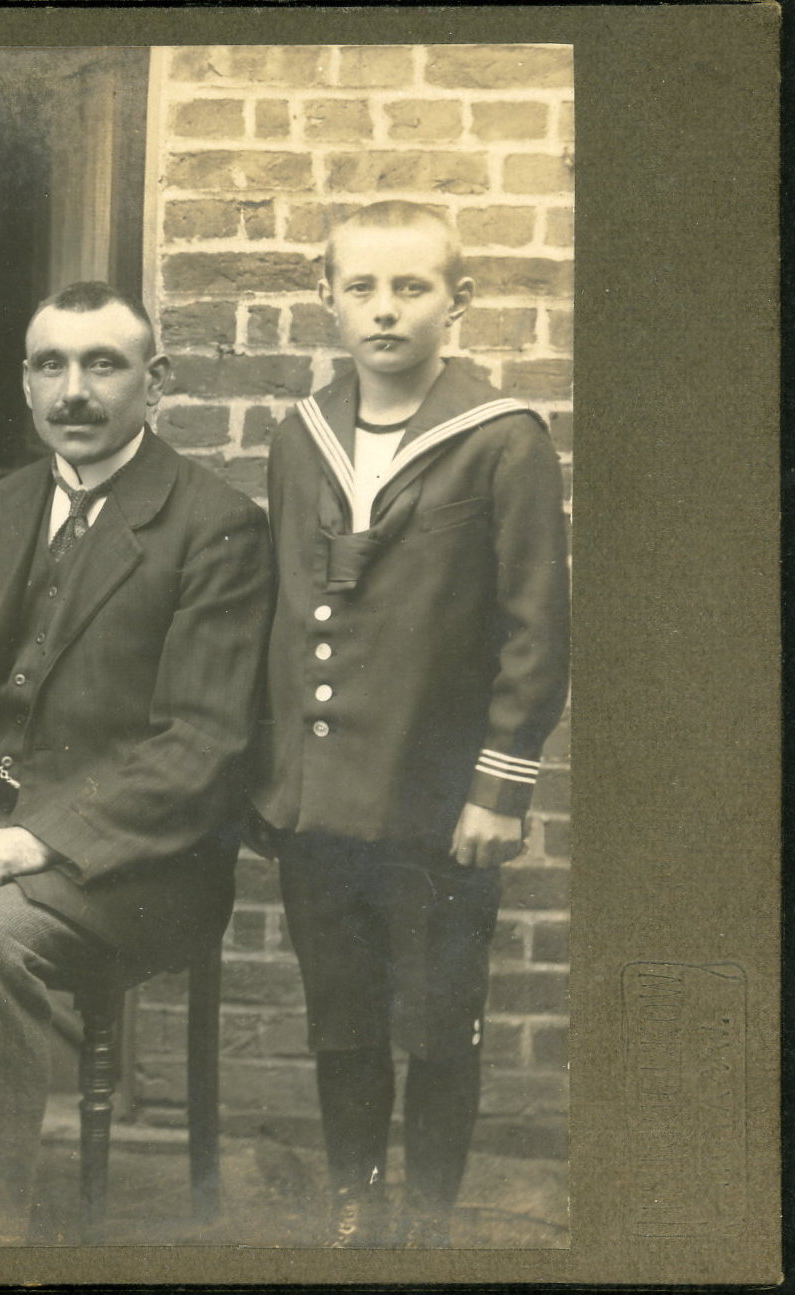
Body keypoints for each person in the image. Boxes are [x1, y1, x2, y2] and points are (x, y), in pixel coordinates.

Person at [0, 281, 274, 1244]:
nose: (74, 391)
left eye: (103, 364)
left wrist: (37, 840)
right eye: (50, 365)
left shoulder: (215, 524)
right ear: (25, 382)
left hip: (139, 857)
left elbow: (200, 746)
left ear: (155, 380)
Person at [249, 201, 570, 1248]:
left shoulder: (503, 440)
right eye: (362, 288)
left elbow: (535, 629)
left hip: (438, 803)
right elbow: (287, 613)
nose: (384, 309)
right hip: (322, 796)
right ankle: (356, 1196)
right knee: (340, 1013)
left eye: (410, 287)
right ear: (327, 297)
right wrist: (276, 781)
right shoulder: (300, 436)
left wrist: (498, 788)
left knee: (436, 1021)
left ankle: (429, 1216)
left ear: (456, 301)